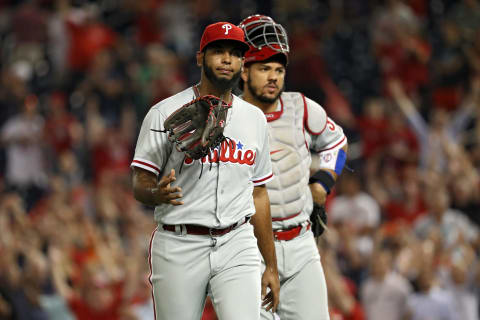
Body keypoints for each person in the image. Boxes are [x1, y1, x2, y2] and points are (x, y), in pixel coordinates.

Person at [130, 21, 280, 320]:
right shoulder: (164, 112)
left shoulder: (254, 119)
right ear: (200, 58)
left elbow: (259, 194)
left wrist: (272, 266)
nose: (227, 59)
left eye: (235, 53)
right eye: (218, 51)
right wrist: (155, 193)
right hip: (179, 241)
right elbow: (139, 181)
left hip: (237, 241)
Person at [238, 15, 348, 320]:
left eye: (278, 69)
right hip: (251, 250)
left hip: (301, 245)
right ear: (244, 72)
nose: (273, 77)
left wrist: (322, 183)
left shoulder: (300, 107)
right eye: (264, 69)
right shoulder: (228, 120)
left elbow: (336, 143)